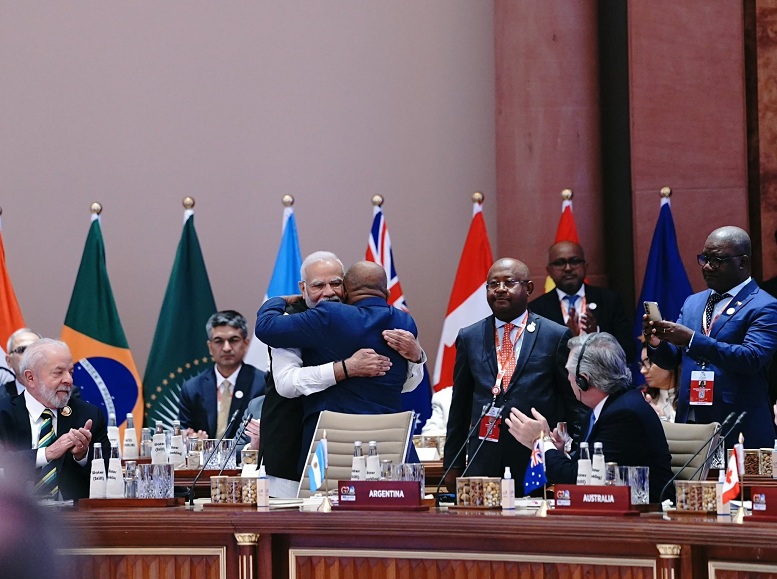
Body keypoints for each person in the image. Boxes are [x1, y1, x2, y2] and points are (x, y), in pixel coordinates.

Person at [257, 252, 424, 496]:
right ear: (302, 288)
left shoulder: (335, 315)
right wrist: (344, 369)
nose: (328, 292)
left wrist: (418, 357)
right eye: (318, 285)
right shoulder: (403, 320)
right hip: (289, 450)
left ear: (346, 286)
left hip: (339, 442)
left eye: (335, 283)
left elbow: (407, 384)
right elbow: (286, 384)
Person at [443, 257, 588, 491]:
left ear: (528, 288)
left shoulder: (555, 335)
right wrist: (453, 465)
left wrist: (578, 457)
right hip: (484, 456)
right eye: (493, 284)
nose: (500, 290)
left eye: (509, 282)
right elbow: (459, 407)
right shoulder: (470, 337)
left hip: (534, 455)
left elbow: (574, 404)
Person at [645, 226, 777, 448]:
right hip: (692, 421)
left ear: (742, 262)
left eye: (717, 260)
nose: (707, 266)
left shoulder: (765, 306)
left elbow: (751, 358)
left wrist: (692, 340)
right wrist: (656, 342)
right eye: (704, 258)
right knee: (692, 483)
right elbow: (672, 360)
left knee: (733, 484)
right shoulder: (693, 303)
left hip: (738, 424)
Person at [505, 333, 673, 504]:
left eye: (569, 373)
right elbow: (583, 469)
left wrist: (540, 440)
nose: (568, 378)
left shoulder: (624, 415)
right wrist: (561, 454)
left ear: (582, 380)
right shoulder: (604, 409)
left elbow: (580, 481)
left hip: (647, 517)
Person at [0, 339, 109, 500]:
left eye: (70, 372)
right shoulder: (3, 414)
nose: (69, 380)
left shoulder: (88, 415)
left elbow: (108, 475)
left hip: (75, 520)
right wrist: (47, 453)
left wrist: (82, 456)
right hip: (14, 520)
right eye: (58, 373)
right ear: (30, 378)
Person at [529, 241, 636, 363]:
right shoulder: (536, 309)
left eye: (574, 261)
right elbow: (536, 360)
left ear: (586, 266)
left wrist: (596, 335)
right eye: (560, 263)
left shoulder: (609, 300)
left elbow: (629, 352)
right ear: (549, 271)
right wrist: (567, 341)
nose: (568, 268)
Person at [178, 311, 266, 440]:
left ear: (245, 343)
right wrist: (191, 438)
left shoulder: (262, 384)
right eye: (219, 341)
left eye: (233, 340)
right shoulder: (192, 388)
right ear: (210, 346)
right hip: (204, 459)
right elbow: (184, 429)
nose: (226, 348)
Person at [640, 342, 677, 422]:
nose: (642, 371)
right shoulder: (643, 399)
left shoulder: (691, 400)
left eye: (648, 362)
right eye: (642, 364)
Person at [1, 329, 42, 399]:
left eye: (35, 349)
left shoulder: (62, 393)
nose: (29, 354)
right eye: (22, 350)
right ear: (9, 361)